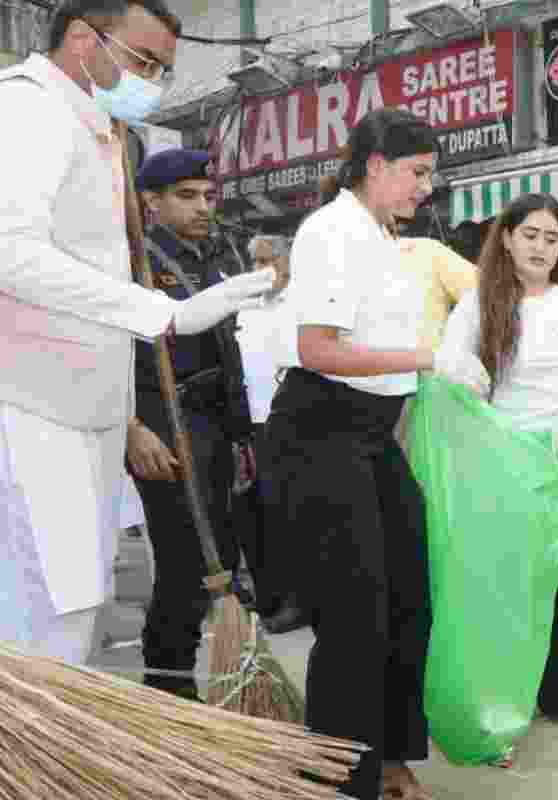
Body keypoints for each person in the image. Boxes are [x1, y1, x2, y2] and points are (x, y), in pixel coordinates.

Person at [0, 0, 272, 666]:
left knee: (75, 617)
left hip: (84, 411)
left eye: (164, 70)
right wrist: (161, 312)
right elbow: (10, 250)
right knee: (50, 627)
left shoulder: (101, 133)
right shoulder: (29, 110)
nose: (153, 80)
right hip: (34, 409)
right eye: (144, 61)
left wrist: (122, 417)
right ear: (81, 40)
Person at [262, 108, 438, 800]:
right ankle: (341, 778)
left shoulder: (380, 237)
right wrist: (430, 357)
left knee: (409, 597)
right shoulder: (332, 232)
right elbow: (320, 349)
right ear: (376, 164)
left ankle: (389, 756)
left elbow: (383, 367)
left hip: (370, 436)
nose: (426, 187)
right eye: (418, 172)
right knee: (353, 612)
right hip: (318, 432)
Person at [436, 192, 558, 733]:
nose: (541, 246)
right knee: (506, 582)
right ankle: (503, 700)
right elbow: (448, 370)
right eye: (530, 234)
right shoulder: (477, 304)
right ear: (507, 239)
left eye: (552, 238)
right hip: (500, 457)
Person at [129, 148, 257, 700]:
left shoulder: (210, 258)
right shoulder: (136, 262)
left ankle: (210, 684)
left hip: (214, 423)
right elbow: (111, 351)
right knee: (183, 566)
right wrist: (132, 426)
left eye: (208, 196)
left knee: (219, 561)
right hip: (165, 418)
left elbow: (226, 352)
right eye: (186, 196)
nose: (203, 206)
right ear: (151, 202)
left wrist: (242, 432)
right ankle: (167, 692)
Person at [234, 233, 302, 630]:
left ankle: (297, 599)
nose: (262, 270)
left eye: (268, 259)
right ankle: (269, 597)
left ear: (288, 260)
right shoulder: (245, 306)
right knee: (251, 514)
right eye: (255, 261)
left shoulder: (303, 302)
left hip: (289, 422)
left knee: (287, 513)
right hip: (248, 424)